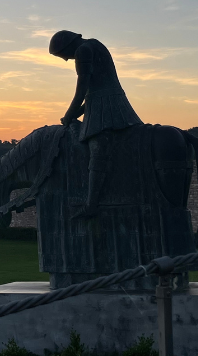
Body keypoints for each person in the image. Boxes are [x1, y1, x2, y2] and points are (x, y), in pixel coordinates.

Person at [49, 30, 142, 218]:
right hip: (104, 101)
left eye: (62, 55)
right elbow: (94, 91)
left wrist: (69, 113)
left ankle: (91, 204)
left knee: (97, 147)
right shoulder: (95, 44)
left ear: (68, 46)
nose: (66, 60)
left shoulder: (83, 50)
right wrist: (78, 111)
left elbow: (83, 86)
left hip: (107, 105)